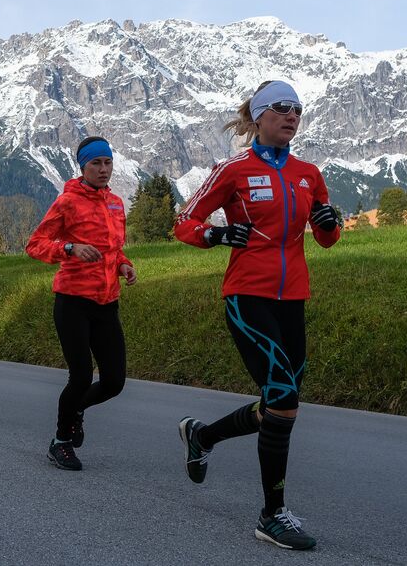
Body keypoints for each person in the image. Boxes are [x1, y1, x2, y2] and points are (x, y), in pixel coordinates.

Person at [174, 81, 341, 551]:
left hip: (293, 299)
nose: (292, 116)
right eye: (283, 109)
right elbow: (184, 221)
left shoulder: (310, 173)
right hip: (247, 296)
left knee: (277, 406)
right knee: (284, 399)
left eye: (298, 110)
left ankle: (202, 435)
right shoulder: (233, 170)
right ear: (260, 116)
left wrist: (331, 226)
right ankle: (273, 514)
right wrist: (215, 236)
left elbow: (326, 238)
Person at [26, 136, 137, 471]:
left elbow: (115, 248)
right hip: (73, 300)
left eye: (107, 163)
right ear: (83, 167)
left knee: (115, 381)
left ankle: (76, 410)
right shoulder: (67, 202)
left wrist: (123, 264)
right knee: (80, 375)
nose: (104, 170)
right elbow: (36, 244)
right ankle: (60, 442)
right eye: (96, 164)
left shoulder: (116, 203)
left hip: (107, 302)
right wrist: (69, 249)